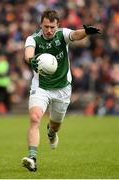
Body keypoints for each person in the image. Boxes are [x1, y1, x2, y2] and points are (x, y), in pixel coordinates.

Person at [21, 9, 101, 172]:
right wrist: (31, 60)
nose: (49, 30)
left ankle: (51, 133)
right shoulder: (33, 39)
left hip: (62, 88)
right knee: (35, 118)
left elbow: (74, 35)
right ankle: (32, 157)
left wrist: (85, 32)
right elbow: (28, 54)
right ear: (41, 25)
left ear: (58, 25)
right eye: (46, 27)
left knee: (56, 126)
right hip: (41, 86)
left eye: (52, 27)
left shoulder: (61, 35)